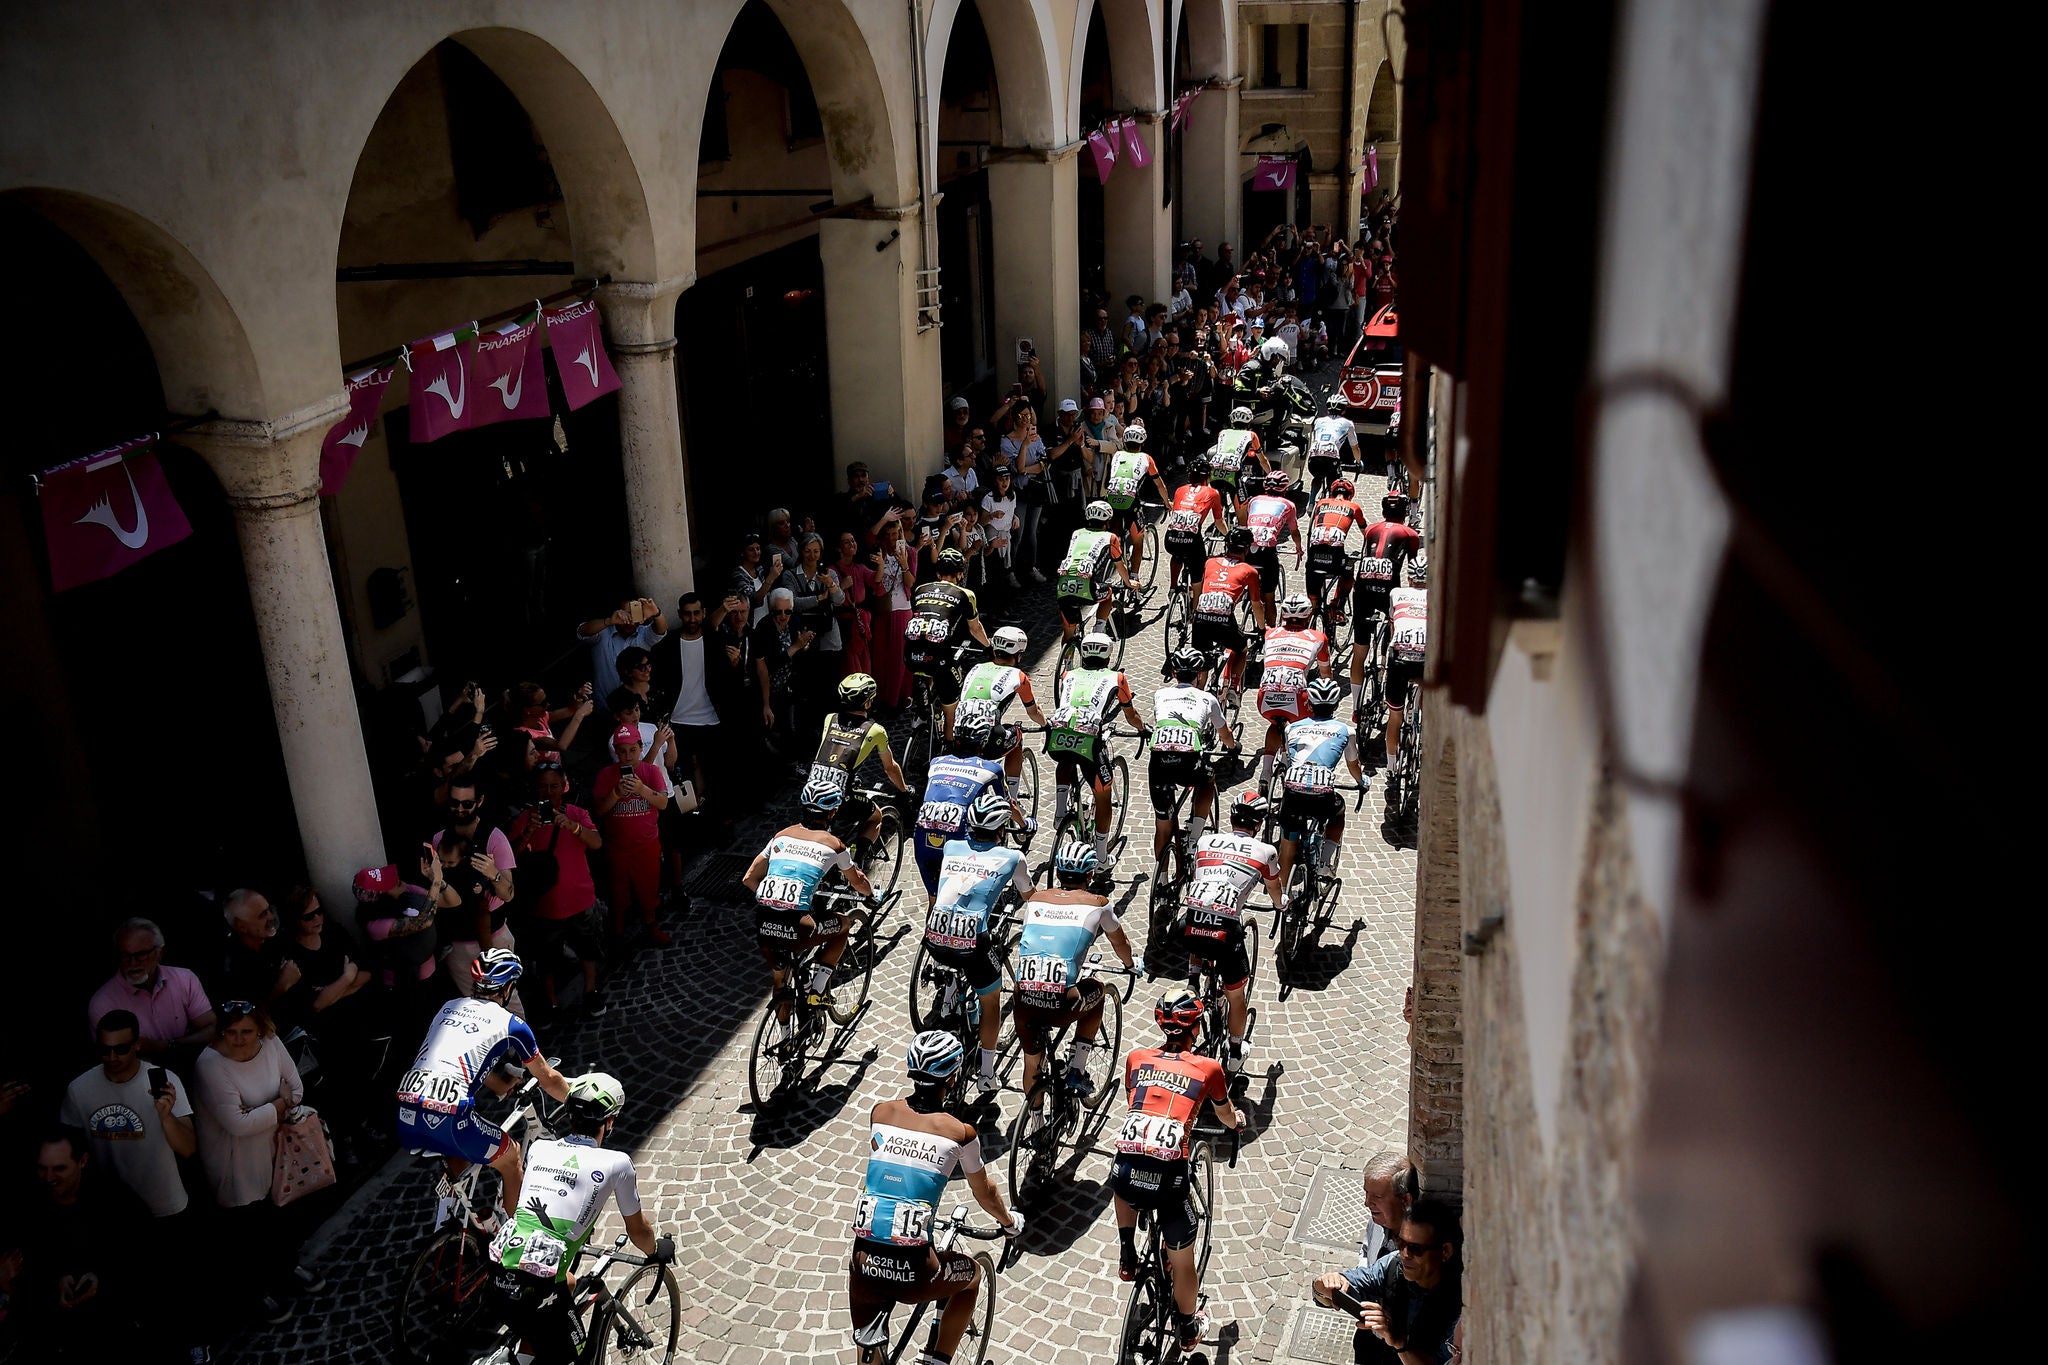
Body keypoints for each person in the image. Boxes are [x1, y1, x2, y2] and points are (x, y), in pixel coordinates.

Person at [846, 1033, 1024, 1359]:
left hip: (863, 1266)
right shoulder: (960, 1132)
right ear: (954, 1077)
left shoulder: (880, 1114)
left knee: (867, 1350)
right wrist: (1009, 1221)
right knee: (973, 1277)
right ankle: (939, 1358)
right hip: (916, 1274)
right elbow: (984, 1192)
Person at [483, 1073, 669, 1365]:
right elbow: (638, 1231)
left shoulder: (540, 1148)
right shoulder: (617, 1163)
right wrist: (656, 1252)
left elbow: (514, 1208)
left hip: (497, 1274)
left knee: (567, 1283)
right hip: (537, 1286)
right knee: (579, 1356)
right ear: (609, 1122)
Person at [1112, 991, 1245, 1352]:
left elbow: (1136, 1101)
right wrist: (1237, 1122)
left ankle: (1127, 1254)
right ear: (1197, 1028)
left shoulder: (1136, 1059)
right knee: (1182, 1261)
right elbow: (1224, 1113)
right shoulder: (1209, 1068)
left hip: (1127, 1171)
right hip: (1169, 1177)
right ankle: (1188, 1328)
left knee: (1122, 1175)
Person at [396, 950, 571, 1217]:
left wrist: (500, 1085)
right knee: (511, 1158)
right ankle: (516, 1240)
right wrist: (574, 1101)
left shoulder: (449, 1007)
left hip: (406, 1110)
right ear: (509, 987)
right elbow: (546, 1077)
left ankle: (452, 1221)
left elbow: (458, 1061)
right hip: (450, 1117)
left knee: (457, 1154)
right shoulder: (511, 1024)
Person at [193, 1000, 322, 1324]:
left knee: (279, 1215)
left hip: (273, 1149)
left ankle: (286, 1267)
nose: (238, 1039)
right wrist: (277, 1105)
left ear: (260, 1030)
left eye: (246, 1032)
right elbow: (236, 1124)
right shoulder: (210, 1065)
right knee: (245, 1230)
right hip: (233, 1160)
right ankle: (257, 1291)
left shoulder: (271, 1044)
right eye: (230, 1032)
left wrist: (264, 1110)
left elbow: (296, 1088)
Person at [1012, 841, 1137, 1134]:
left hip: (1023, 997)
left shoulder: (1036, 900)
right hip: (1062, 1001)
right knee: (1098, 989)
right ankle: (1077, 1070)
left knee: (1033, 1063)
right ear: (1090, 876)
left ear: (1058, 873)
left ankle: (1037, 1124)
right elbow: (1120, 943)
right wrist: (1131, 965)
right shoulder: (1098, 904)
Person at [924, 791, 1034, 1094]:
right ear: (1002, 830)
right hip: (973, 943)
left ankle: (949, 994)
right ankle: (987, 1074)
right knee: (991, 1002)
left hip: (934, 936)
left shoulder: (952, 846)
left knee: (953, 956)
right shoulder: (1013, 857)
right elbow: (1030, 897)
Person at [741, 788, 879, 1013]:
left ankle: (785, 1040)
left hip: (763, 926)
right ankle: (817, 991)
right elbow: (858, 881)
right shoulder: (835, 845)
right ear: (832, 813)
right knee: (843, 924)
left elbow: (749, 878)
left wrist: (775, 900)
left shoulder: (781, 835)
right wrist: (870, 895)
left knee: (780, 981)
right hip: (800, 928)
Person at [1176, 795, 1283, 1072]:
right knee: (1236, 997)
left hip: (1189, 925)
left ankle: (1193, 978)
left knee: (1199, 914)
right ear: (1259, 825)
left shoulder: (1204, 842)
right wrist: (1281, 904)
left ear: (1232, 818)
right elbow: (1274, 890)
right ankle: (1235, 1052)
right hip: (1226, 932)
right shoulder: (1266, 852)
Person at [60, 1009, 196, 1218]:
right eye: (105, 1050)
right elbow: (70, 1153)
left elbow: (188, 1149)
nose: (112, 1057)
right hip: (107, 1205)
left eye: (121, 1049)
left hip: (163, 1203)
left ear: (137, 1045)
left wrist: (166, 1117)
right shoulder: (79, 1089)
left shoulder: (167, 1080)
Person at [507, 761, 607, 1017]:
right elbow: (510, 859)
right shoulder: (524, 819)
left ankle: (591, 991)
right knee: (547, 960)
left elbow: (596, 842)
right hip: (546, 906)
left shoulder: (576, 813)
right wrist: (529, 831)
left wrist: (573, 827)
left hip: (580, 900)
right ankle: (550, 1001)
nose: (548, 792)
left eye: (554, 786)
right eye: (543, 787)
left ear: (563, 787)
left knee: (587, 950)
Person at [1311, 1199, 1462, 1365]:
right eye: (1401, 1242)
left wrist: (1399, 1342)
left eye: (1415, 1248)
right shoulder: (1394, 1264)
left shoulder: (1461, 1307)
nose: (1405, 1254)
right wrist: (1324, 1284)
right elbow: (1344, 1287)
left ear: (1445, 1251)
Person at [1047, 630, 1146, 860]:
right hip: (1091, 743)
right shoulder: (1118, 678)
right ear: (1108, 656)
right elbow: (1130, 714)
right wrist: (1142, 729)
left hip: (1059, 735)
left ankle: (1061, 810)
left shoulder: (1067, 675)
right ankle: (1101, 857)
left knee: (1066, 759)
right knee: (1104, 796)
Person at [805, 672, 913, 864]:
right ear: (868, 703)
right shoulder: (875, 730)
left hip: (811, 791)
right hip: (840, 796)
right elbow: (890, 768)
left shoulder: (830, 719)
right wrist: (904, 790)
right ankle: (860, 862)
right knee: (876, 816)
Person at [1149, 646, 1236, 874]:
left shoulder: (1160, 694)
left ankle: (1162, 878)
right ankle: (1195, 836)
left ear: (1175, 674)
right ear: (1199, 675)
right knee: (1208, 780)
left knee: (1163, 825)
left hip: (1158, 761)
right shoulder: (1208, 699)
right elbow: (1224, 733)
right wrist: (1234, 747)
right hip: (1188, 760)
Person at [1275, 679, 1365, 888]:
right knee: (1338, 813)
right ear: (1335, 706)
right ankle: (1325, 862)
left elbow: (1289, 759)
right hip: (1322, 794)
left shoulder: (1292, 728)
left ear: (1308, 704)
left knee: (1288, 843)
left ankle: (1281, 893)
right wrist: (1362, 782)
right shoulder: (1346, 731)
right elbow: (1354, 766)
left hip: (1293, 791)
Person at [912, 727, 1012, 910]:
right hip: (958, 839)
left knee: (935, 903)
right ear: (983, 743)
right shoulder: (993, 768)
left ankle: (929, 934)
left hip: (923, 837)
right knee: (969, 900)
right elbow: (1006, 805)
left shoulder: (936, 762)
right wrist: (1027, 824)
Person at [86, 919, 215, 1057]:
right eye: (125, 956)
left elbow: (212, 1029)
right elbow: (114, 1059)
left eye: (140, 955)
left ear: (159, 953)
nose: (133, 963)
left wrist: (167, 1046)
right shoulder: (103, 1003)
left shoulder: (184, 979)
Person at [352, 859, 450, 1040]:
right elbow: (424, 921)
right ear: (381, 898)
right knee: (419, 1033)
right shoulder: (375, 925)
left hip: (430, 972)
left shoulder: (405, 892)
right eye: (394, 883)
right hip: (405, 987)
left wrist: (440, 883)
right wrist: (436, 880)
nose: (400, 882)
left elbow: (450, 901)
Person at [593, 723, 672, 946]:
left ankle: (650, 927)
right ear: (616, 752)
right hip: (617, 847)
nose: (628, 756)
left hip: (646, 845)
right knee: (618, 894)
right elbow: (599, 809)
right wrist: (616, 793)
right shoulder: (606, 774)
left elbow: (663, 802)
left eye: (633, 750)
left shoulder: (651, 772)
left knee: (649, 890)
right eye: (622, 751)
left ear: (640, 747)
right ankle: (617, 935)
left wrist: (642, 790)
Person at [1349, 491, 1425, 722]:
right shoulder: (1410, 533)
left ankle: (1355, 706)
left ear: (1383, 511)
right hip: (1389, 590)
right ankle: (1385, 665)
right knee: (1394, 631)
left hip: (1362, 588)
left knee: (1359, 650)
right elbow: (1413, 572)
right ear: (1404, 512)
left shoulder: (1371, 529)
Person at [902, 548, 991, 743]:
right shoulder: (966, 594)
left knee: (927, 665)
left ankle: (922, 708)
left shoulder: (919, 589)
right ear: (960, 574)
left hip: (910, 655)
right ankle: (949, 740)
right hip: (939, 659)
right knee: (951, 698)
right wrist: (989, 648)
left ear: (937, 572)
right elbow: (975, 629)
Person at [952, 624, 1049, 797]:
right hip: (987, 740)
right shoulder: (1019, 677)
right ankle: (1011, 799)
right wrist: (1046, 725)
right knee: (1016, 734)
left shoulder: (976, 669)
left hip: (959, 735)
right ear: (1019, 655)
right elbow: (1033, 712)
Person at [1257, 593, 1335, 793]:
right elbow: (1326, 674)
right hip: (1296, 699)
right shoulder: (1318, 638)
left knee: (1276, 723)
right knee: (1300, 726)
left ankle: (1266, 772)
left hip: (1265, 697)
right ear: (1308, 616)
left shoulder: (1269, 634)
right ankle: (1292, 765)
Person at [1191, 526, 1267, 695]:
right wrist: (1262, 629)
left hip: (1200, 618)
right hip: (1223, 621)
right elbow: (1257, 605)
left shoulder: (1209, 562)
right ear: (1247, 549)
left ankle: (1196, 696)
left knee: (1201, 663)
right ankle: (1232, 687)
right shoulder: (1250, 571)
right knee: (1241, 649)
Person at [1054, 500, 1135, 647]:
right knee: (1108, 593)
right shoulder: (1111, 538)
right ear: (1107, 522)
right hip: (1088, 589)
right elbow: (1120, 564)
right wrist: (1128, 583)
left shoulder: (1076, 533)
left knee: (1069, 633)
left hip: (1063, 586)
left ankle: (1066, 665)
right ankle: (1098, 631)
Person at [1102, 422, 1172, 584]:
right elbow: (1160, 485)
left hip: (1111, 501)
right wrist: (1167, 502)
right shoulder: (1146, 459)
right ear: (1142, 443)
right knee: (1138, 539)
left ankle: (1115, 554)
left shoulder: (1117, 455)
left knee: (1115, 535)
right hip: (1131, 503)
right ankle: (1134, 576)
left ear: (1124, 442)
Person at [1382, 570, 1429, 806]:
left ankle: (1391, 767)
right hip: (1425, 661)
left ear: (1409, 579)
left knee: (1395, 715)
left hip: (1399, 659)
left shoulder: (1397, 593)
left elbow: (1392, 628)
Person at [575, 596, 667, 707]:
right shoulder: (603, 632)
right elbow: (582, 631)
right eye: (626, 615)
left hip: (635, 711)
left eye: (634, 615)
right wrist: (609, 621)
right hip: (603, 707)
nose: (630, 621)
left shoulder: (643, 634)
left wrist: (656, 613)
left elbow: (661, 629)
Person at [218, 887, 296, 1013]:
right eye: (262, 915)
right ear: (242, 927)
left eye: (269, 910)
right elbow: (247, 1016)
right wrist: (282, 986)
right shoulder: (234, 967)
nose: (271, 917)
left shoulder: (273, 940)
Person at [1305, 476, 1371, 623]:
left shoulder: (1320, 503)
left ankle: (1313, 607)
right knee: (1349, 568)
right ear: (1350, 495)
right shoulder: (1353, 507)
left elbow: (1311, 531)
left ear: (1332, 492)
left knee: (1313, 594)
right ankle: (1338, 607)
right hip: (1335, 556)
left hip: (1314, 554)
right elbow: (1367, 533)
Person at [1161, 457, 1229, 594]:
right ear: (1208, 477)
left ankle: (1173, 588)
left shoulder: (1179, 490)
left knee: (1177, 555)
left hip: (1170, 539)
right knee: (1198, 571)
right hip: (1192, 541)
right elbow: (1219, 522)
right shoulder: (1213, 493)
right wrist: (1228, 536)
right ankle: (1196, 608)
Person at [1244, 469, 1303, 621]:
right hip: (1267, 552)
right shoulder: (1289, 505)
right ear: (1285, 488)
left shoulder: (1254, 500)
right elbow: (1294, 532)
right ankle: (1268, 633)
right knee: (1269, 598)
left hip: (1246, 549)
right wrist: (1299, 548)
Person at [1210, 405, 1270, 521]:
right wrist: (1270, 474)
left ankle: (1219, 525)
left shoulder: (1222, 432)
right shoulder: (1252, 435)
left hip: (1214, 475)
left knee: (1220, 508)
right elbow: (1263, 460)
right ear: (1249, 422)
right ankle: (1242, 531)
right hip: (1233, 477)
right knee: (1242, 512)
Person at [1309, 393, 1363, 495]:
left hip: (1314, 458)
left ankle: (1311, 502)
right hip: (1331, 458)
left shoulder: (1318, 421)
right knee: (1333, 483)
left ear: (1328, 409)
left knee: (1318, 476)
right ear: (1344, 410)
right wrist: (1359, 461)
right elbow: (1355, 447)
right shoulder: (1348, 423)